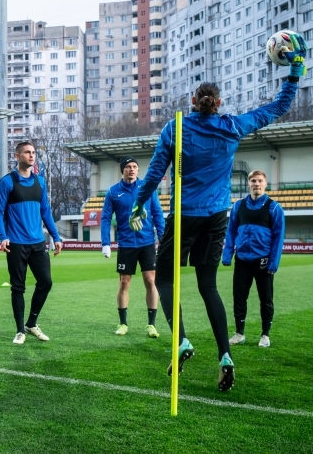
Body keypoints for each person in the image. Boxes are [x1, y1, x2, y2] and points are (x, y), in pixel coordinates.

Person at [131, 33, 306, 392]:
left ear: (192, 101)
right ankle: (225, 355)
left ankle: (181, 340)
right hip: (217, 217)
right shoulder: (232, 127)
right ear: (219, 102)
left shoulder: (175, 127)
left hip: (184, 216)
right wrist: (296, 71)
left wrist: (138, 204)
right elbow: (276, 108)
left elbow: (154, 174)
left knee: (164, 279)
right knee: (208, 285)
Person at [0, 141, 63, 345]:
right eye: (27, 152)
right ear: (17, 156)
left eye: (33, 152)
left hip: (38, 243)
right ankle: (19, 331)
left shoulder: (40, 182)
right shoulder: (7, 182)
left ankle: (31, 324)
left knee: (46, 282)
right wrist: (3, 235)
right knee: (18, 288)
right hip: (16, 243)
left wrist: (56, 237)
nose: (31, 156)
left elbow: (46, 212)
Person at [100, 156, 164, 338]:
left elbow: (158, 214)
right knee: (124, 282)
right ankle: (123, 323)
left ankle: (151, 324)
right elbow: (105, 218)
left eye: (135, 166)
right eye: (128, 167)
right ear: (123, 170)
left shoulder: (148, 188)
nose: (132, 169)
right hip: (126, 244)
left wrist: (163, 238)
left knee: (151, 281)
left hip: (147, 243)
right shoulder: (113, 192)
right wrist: (105, 243)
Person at [222, 170, 285, 348]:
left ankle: (265, 335)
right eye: (253, 181)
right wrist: (227, 255)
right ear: (249, 183)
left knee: (266, 298)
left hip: (263, 261)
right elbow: (231, 231)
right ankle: (239, 333)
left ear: (265, 184)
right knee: (239, 297)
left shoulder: (274, 208)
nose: (256, 184)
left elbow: (278, 238)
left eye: (259, 181)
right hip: (242, 260)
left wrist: (273, 263)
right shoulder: (238, 206)